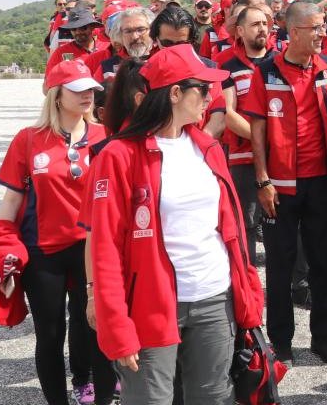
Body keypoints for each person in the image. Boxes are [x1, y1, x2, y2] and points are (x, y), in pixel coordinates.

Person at [85, 45, 264, 405]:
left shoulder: (207, 148)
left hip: (214, 298)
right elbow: (104, 247)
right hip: (150, 305)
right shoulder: (117, 157)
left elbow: (231, 231)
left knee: (213, 399)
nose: (211, 96)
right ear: (175, 93)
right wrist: (115, 325)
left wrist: (248, 294)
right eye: (202, 88)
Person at [0, 61, 116, 405]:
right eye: (77, 89)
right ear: (56, 96)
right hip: (43, 252)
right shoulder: (28, 139)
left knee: (97, 328)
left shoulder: (105, 137)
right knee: (49, 335)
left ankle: (102, 398)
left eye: (90, 88)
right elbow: (12, 199)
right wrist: (2, 250)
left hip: (91, 249)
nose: (87, 95)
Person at [241, 1, 327, 364]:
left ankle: (323, 339)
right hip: (279, 186)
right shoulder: (266, 70)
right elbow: (256, 128)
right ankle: (281, 343)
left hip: (320, 183)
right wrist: (262, 179)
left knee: (321, 264)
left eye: (322, 28)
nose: (322, 34)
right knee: (281, 266)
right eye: (315, 28)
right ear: (293, 31)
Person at [219, 6, 275, 265]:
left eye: (265, 23)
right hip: (244, 157)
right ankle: (249, 281)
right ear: (240, 31)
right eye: (255, 24)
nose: (262, 28)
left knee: (283, 221)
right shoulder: (229, 67)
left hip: (281, 155)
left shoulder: (281, 62)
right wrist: (261, 140)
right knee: (248, 223)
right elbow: (228, 113)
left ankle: (295, 285)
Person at [152, 6, 227, 138]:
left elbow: (218, 118)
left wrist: (196, 145)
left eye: (181, 44)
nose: (174, 50)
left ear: (192, 41)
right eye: (167, 43)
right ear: (156, 39)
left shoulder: (209, 70)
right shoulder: (146, 72)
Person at [91, 7, 154, 83]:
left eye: (140, 30)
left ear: (152, 30)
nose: (135, 36)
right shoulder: (107, 68)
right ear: (120, 35)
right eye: (128, 31)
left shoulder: (163, 60)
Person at [47, 7, 104, 73]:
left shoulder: (106, 48)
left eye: (83, 28)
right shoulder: (61, 52)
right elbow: (49, 80)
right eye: (73, 29)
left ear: (92, 27)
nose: (78, 32)